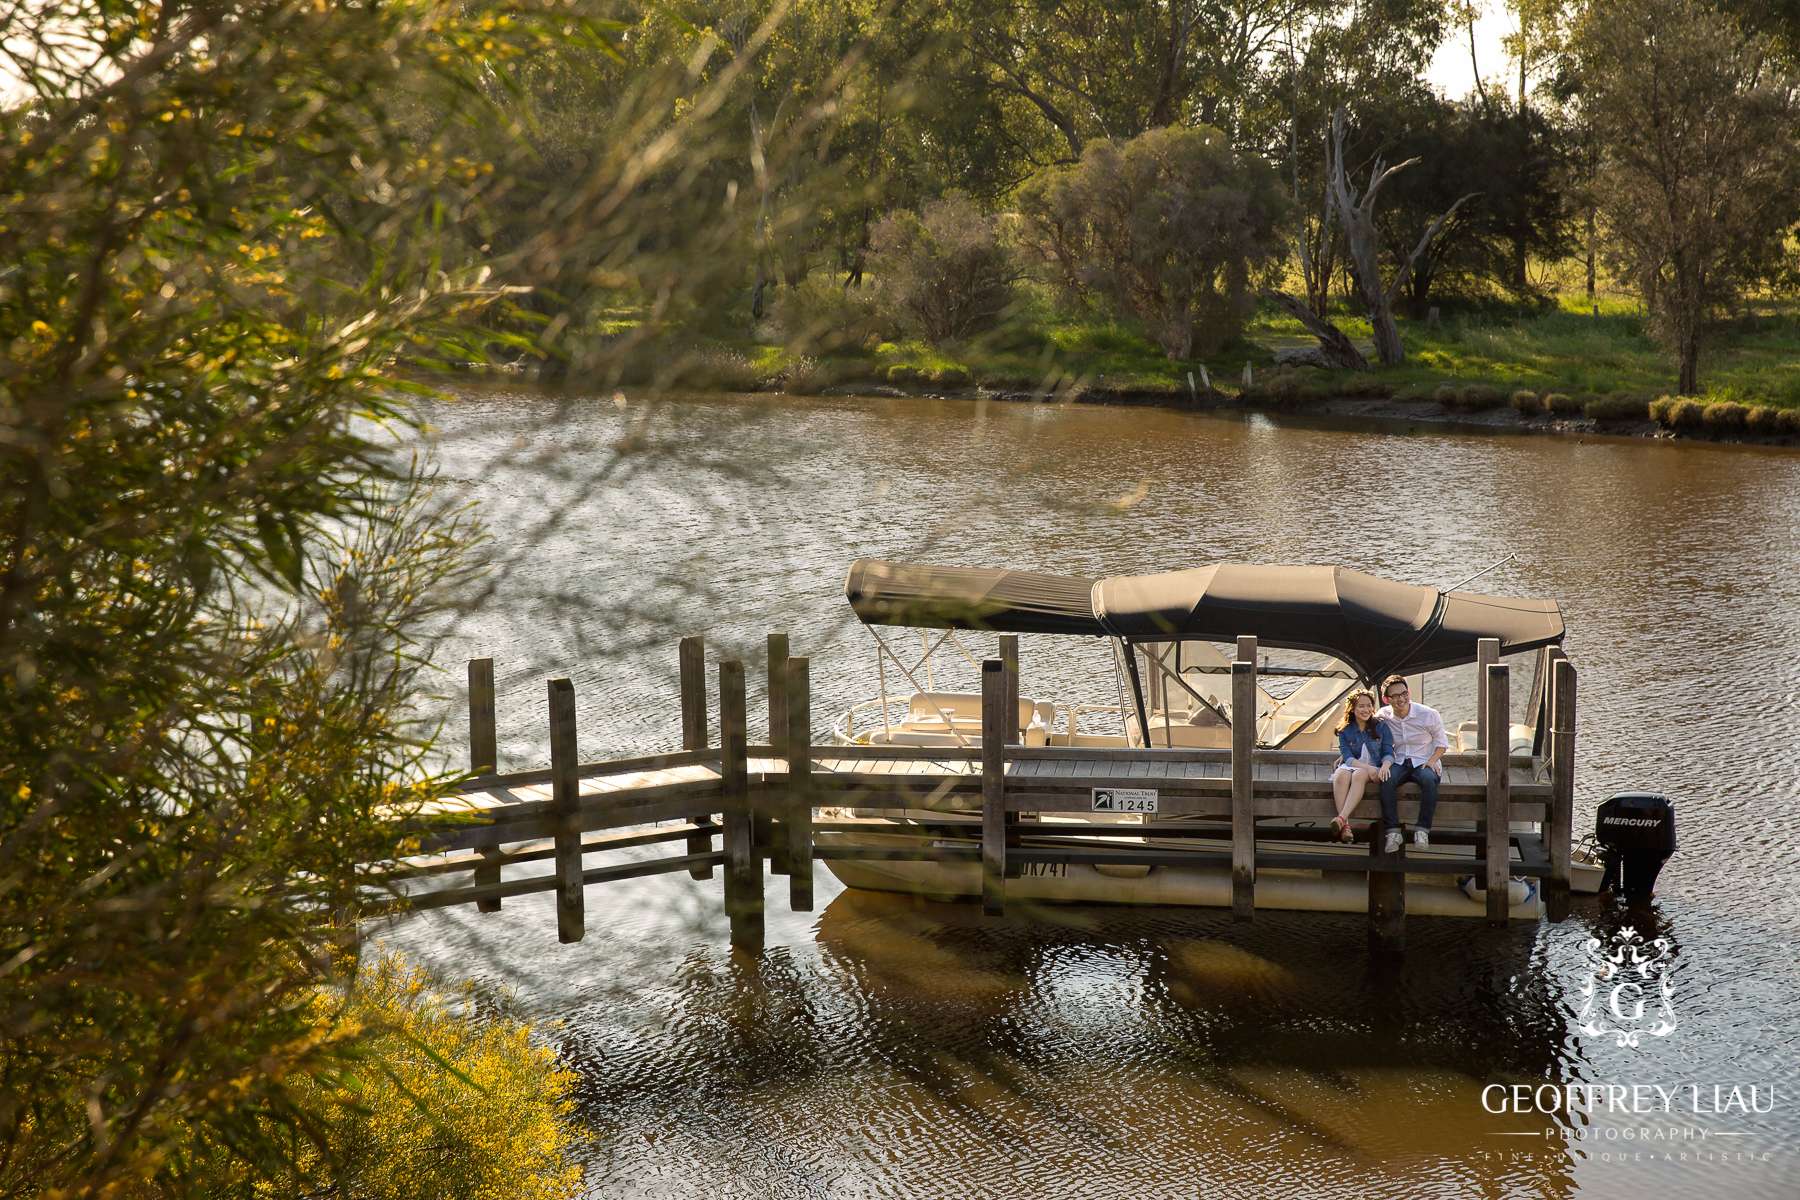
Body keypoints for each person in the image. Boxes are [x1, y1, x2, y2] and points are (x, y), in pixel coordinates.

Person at [1376, 674, 1450, 852]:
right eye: (1395, 696)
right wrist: (1345, 755)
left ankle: (1422, 830)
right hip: (1399, 760)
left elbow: (1442, 744)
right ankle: (1393, 832)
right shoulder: (1382, 715)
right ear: (1386, 699)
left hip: (1423, 761)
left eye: (1404, 693)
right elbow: (1364, 730)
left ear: (1408, 693)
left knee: (1429, 779)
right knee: (1386, 779)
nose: (1401, 699)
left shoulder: (1428, 714)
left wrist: (1432, 761)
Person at [1330, 690, 1392, 842]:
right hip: (1354, 764)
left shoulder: (1381, 726)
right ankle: (1346, 825)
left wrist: (1385, 766)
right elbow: (1347, 757)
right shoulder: (1345, 730)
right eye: (1361, 706)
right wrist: (1366, 767)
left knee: (1359, 775)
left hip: (1374, 766)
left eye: (1369, 706)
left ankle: (1342, 818)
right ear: (1352, 708)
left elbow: (1388, 751)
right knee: (1340, 774)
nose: (1366, 710)